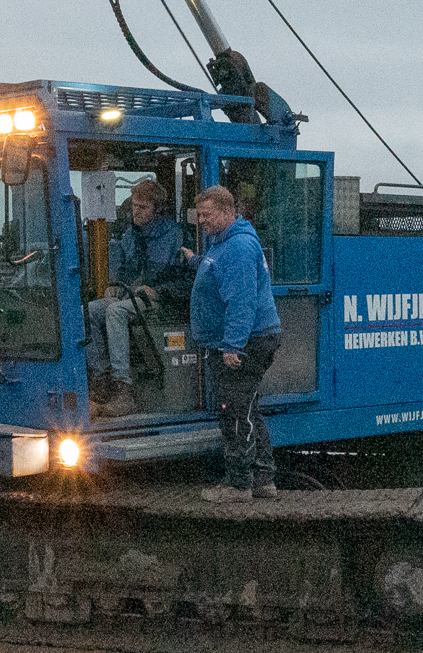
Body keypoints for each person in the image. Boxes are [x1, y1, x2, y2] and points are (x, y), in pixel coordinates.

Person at [187, 184, 283, 502]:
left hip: (247, 343)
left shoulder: (238, 247)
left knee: (234, 411)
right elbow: (221, 272)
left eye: (207, 215)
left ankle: (239, 485)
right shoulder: (224, 243)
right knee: (248, 409)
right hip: (249, 340)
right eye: (199, 215)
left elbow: (242, 301)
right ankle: (263, 481)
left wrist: (233, 345)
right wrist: (196, 261)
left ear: (228, 212)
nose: (202, 220)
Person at [85, 178, 183, 416]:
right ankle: (101, 380)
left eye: (142, 207)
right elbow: (125, 270)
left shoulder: (175, 236)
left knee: (115, 311)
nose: (135, 212)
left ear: (157, 210)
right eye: (134, 206)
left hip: (165, 301)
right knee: (89, 310)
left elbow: (186, 281)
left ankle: (123, 389)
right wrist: (116, 286)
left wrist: (158, 291)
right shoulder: (131, 235)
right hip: (133, 296)